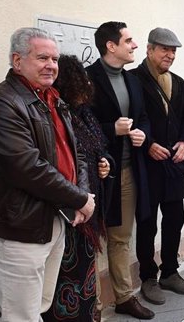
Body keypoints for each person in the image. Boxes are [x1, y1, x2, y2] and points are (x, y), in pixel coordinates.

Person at [0, 27, 95, 321]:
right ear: (17, 61)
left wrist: (79, 196)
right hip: (18, 228)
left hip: (50, 220)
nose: (52, 65)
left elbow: (75, 152)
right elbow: (27, 168)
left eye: (54, 59)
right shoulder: (1, 103)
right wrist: (80, 198)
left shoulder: (51, 99)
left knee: (38, 307)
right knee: (21, 316)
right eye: (42, 57)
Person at [85, 21, 154, 320]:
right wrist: (110, 130)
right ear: (111, 46)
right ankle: (92, 306)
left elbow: (142, 118)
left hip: (127, 172)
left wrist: (142, 135)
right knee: (90, 241)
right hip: (94, 176)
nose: (134, 45)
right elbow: (76, 128)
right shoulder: (87, 80)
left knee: (121, 238)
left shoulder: (133, 81)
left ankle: (124, 297)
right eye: (128, 40)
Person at [43, 54, 113, 322]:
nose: (86, 84)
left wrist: (106, 164)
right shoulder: (57, 114)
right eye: (80, 79)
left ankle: (87, 315)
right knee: (64, 277)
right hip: (69, 212)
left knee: (84, 273)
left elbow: (98, 150)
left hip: (86, 208)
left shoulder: (83, 114)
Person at [130, 27, 184, 304]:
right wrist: (148, 144)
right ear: (149, 50)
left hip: (174, 165)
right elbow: (129, 118)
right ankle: (148, 277)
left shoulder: (179, 82)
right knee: (147, 224)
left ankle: (170, 272)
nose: (170, 55)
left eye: (173, 51)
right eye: (164, 49)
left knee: (175, 219)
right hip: (147, 165)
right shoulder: (132, 79)